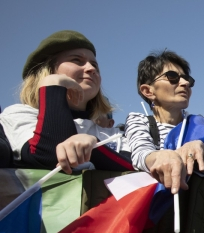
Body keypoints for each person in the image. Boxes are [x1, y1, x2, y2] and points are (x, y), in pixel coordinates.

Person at [0, 30, 131, 173]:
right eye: (77, 60)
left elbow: (140, 166)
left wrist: (94, 145)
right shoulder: (19, 114)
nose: (91, 68)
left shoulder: (112, 132)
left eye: (95, 65)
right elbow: (49, 157)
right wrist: (53, 85)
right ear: (48, 70)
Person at [126, 50, 204, 194]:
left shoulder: (198, 122)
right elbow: (140, 155)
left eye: (188, 79)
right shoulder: (140, 120)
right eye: (172, 77)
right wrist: (163, 156)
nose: (185, 83)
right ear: (148, 91)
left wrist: (202, 151)